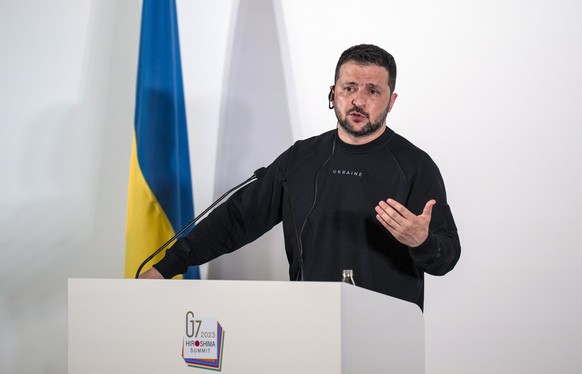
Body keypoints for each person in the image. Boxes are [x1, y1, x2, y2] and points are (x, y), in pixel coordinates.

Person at [140, 44, 461, 310]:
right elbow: (236, 219)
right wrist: (168, 267)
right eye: (349, 88)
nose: (358, 100)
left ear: (391, 101)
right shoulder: (301, 159)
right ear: (333, 93)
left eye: (373, 91)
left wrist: (422, 242)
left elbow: (446, 257)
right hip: (309, 327)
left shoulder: (415, 166)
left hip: (387, 335)